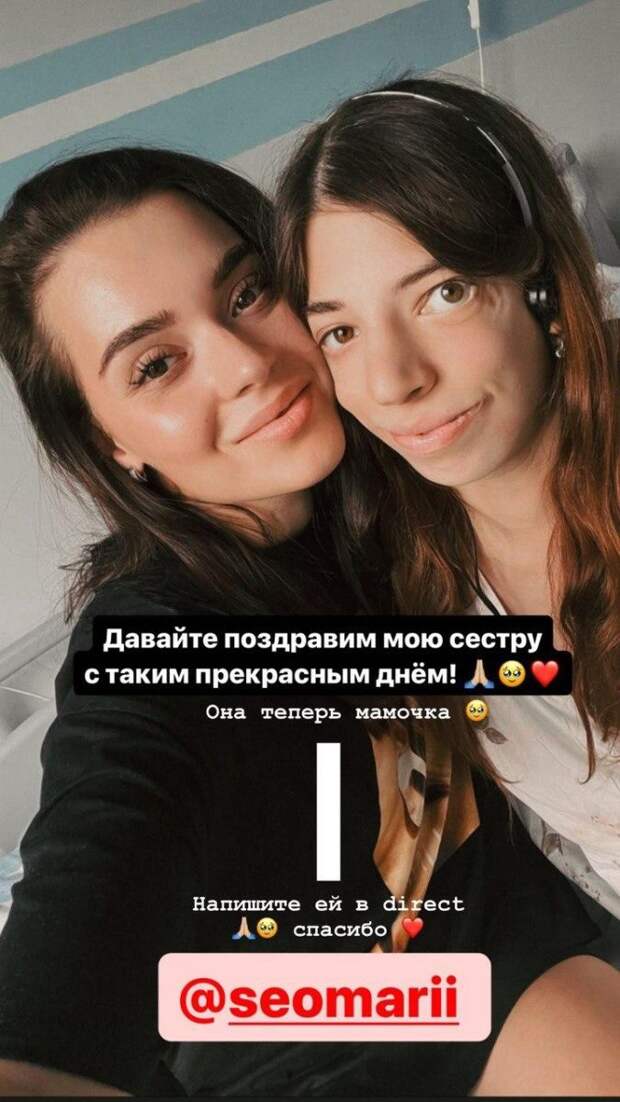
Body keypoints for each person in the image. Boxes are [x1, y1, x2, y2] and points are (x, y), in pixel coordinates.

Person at [0, 147, 617, 1099]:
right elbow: (104, 844)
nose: (248, 365)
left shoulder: (407, 459)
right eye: (157, 365)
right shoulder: (161, 637)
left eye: (247, 294)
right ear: (107, 441)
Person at [274, 74, 620, 925]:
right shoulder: (403, 566)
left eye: (443, 293)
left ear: (540, 280)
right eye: (341, 332)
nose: (394, 381)